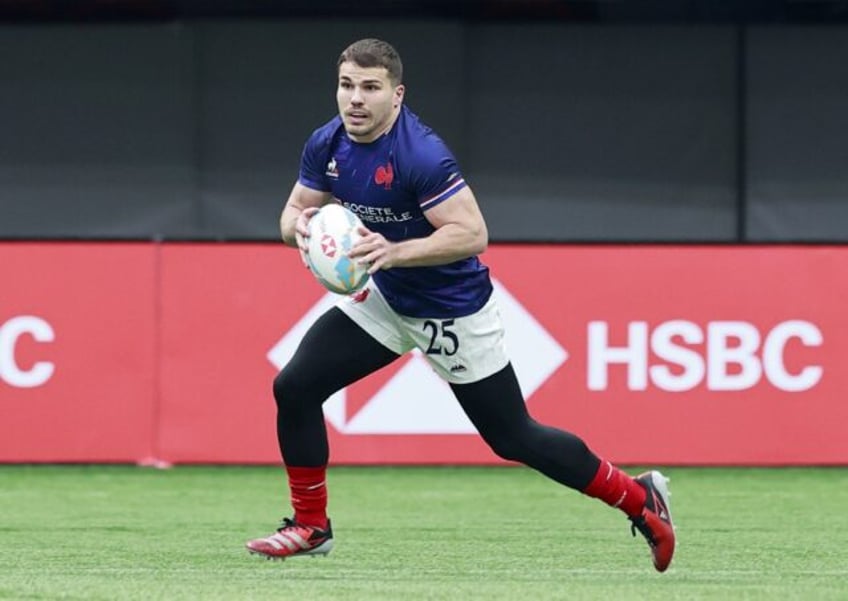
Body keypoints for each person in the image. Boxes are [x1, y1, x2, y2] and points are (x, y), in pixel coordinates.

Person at [245, 38, 676, 572]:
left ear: (396, 95)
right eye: (347, 85)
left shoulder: (419, 155)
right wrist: (301, 230)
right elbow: (291, 214)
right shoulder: (327, 144)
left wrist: (395, 251)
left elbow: (472, 233)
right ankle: (311, 526)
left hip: (453, 310)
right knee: (295, 386)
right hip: (386, 299)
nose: (355, 99)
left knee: (513, 437)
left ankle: (639, 497)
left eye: (371, 88)